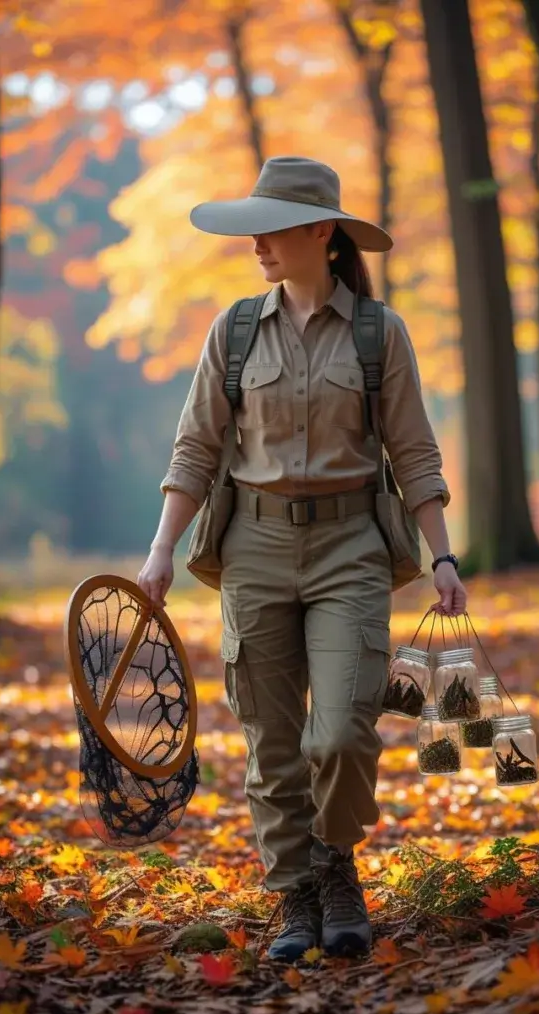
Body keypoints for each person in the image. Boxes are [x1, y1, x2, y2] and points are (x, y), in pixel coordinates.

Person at [137, 156, 466, 962]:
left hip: (352, 549)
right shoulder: (235, 330)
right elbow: (194, 449)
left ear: (321, 232)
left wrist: (443, 556)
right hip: (251, 547)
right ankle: (297, 898)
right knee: (271, 742)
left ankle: (336, 863)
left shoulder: (378, 334)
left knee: (344, 733)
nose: (255, 245)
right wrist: (158, 555)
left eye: (270, 228)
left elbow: (414, 452)